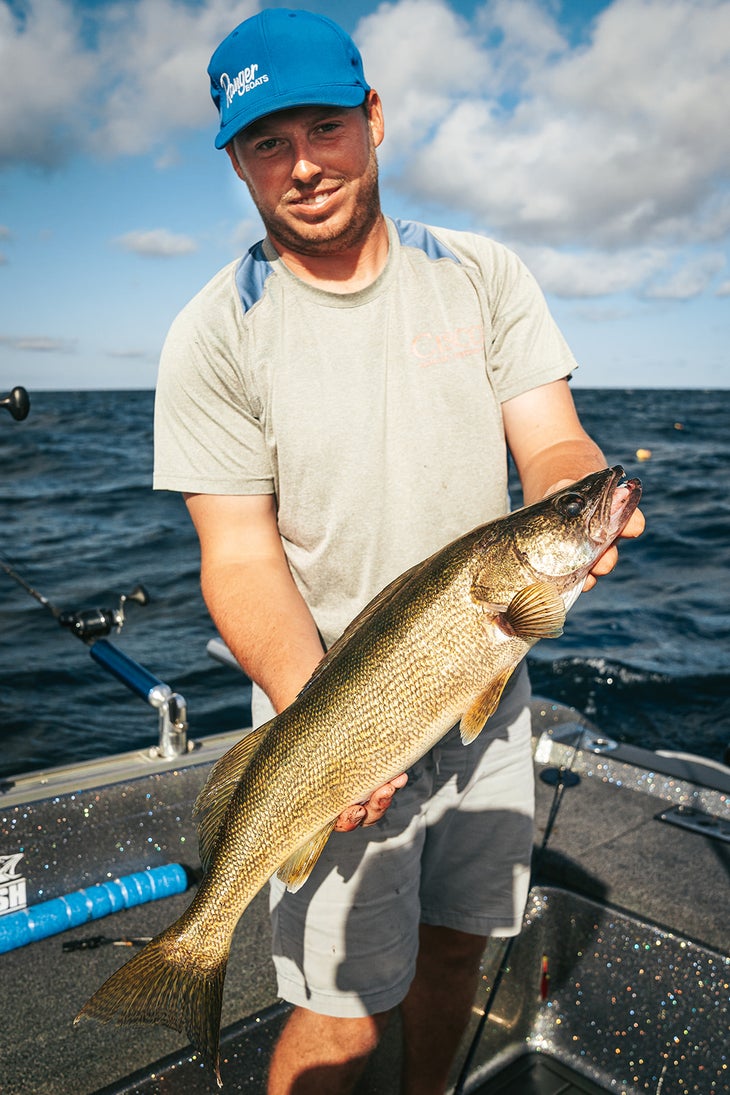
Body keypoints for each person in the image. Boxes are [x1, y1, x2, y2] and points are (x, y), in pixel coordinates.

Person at [153, 9, 644, 1094]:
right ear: (235, 161)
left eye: (323, 127)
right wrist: (322, 719)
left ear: (374, 118)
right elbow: (235, 556)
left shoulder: (481, 274)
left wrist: (575, 498)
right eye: (266, 144)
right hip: (315, 712)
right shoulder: (210, 333)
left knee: (458, 946)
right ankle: (193, 954)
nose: (303, 165)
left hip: (485, 698)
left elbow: (553, 440)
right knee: (337, 1015)